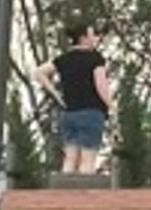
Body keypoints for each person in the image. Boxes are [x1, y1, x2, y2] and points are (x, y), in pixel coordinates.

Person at [33, 23, 113, 174]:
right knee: (87, 159)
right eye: (92, 35)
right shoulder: (95, 58)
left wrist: (56, 94)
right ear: (83, 39)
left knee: (70, 158)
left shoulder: (63, 59)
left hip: (69, 113)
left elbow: (39, 72)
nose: (95, 38)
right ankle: (83, 195)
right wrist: (111, 105)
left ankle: (64, 194)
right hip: (91, 112)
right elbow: (100, 85)